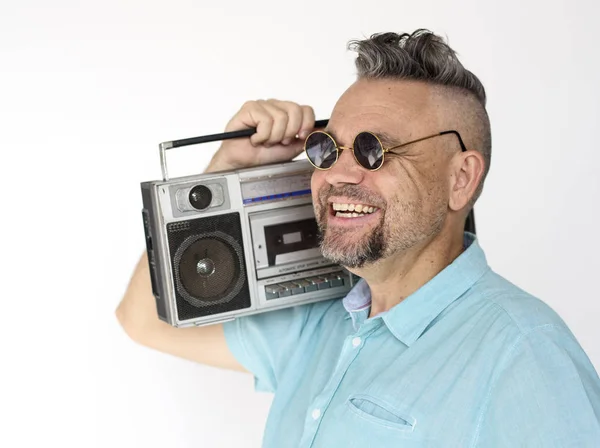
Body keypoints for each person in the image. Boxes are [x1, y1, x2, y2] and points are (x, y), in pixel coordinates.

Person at [116, 30, 600, 447]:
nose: (337, 173)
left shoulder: (526, 355)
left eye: (375, 150)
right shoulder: (319, 322)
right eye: (326, 148)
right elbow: (144, 320)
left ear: (461, 179)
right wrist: (227, 167)